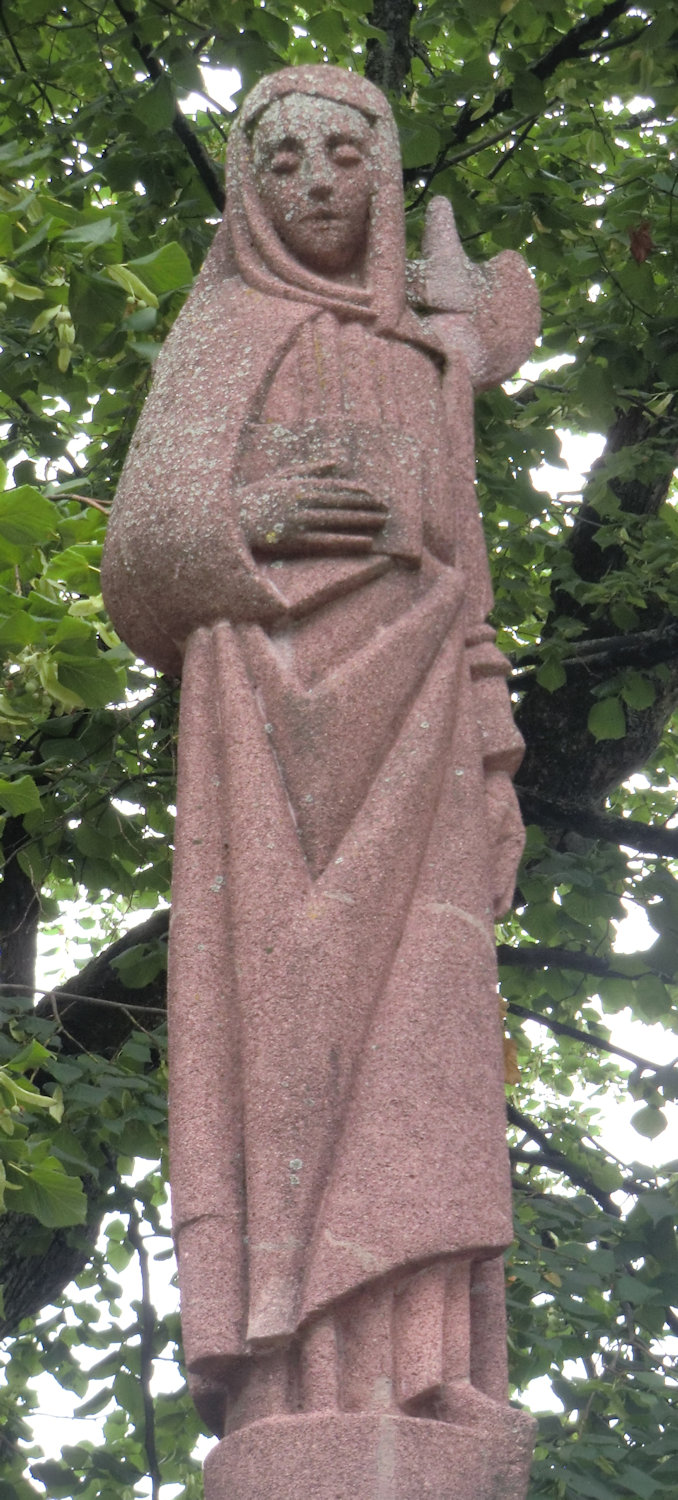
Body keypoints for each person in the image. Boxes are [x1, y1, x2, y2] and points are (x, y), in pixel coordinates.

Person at [102, 65, 539, 1444]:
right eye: (279, 159)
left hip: (419, 728)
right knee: (296, 1051)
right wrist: (260, 514)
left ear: (382, 173)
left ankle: (424, 1367)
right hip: (274, 733)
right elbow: (143, 557)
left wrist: (493, 757)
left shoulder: (416, 361)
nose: (311, 185)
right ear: (246, 183)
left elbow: (462, 580)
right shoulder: (222, 327)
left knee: (432, 1033)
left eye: (341, 156)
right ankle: (304, 1385)